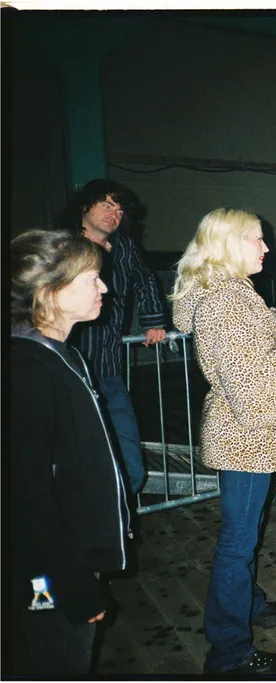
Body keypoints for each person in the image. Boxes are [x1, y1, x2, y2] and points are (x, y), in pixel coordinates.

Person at [170, 208, 276, 675]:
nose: (267, 248)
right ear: (227, 244)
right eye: (257, 240)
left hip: (250, 433)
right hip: (247, 434)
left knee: (248, 529)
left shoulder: (232, 292)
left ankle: (249, 603)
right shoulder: (225, 302)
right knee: (238, 542)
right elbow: (254, 389)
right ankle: (229, 652)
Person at [10, 229, 131, 675]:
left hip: (71, 557)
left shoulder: (64, 355)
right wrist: (72, 586)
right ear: (49, 292)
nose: (105, 287)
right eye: (92, 279)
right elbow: (26, 501)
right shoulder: (24, 372)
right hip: (47, 573)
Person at [53, 179, 167, 498]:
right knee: (73, 462)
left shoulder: (124, 247)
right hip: (66, 372)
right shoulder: (61, 245)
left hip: (108, 371)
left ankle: (113, 528)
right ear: (84, 207)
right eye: (106, 204)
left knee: (131, 467)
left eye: (119, 209)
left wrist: (153, 321)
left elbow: (145, 280)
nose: (114, 213)